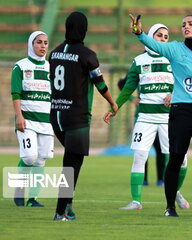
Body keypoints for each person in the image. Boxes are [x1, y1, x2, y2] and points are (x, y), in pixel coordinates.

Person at [129, 14, 192, 217]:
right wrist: (139, 33)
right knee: (175, 158)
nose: (186, 27)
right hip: (181, 111)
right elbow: (154, 44)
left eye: (190, 24)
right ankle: (170, 207)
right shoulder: (174, 48)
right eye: (183, 25)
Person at [104, 24, 190, 210]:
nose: (163, 39)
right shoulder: (139, 61)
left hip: (170, 119)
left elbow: (186, 83)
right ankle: (136, 201)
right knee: (140, 156)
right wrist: (115, 106)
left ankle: (175, 192)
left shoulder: (174, 59)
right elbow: (128, 87)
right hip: (145, 118)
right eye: (159, 35)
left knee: (181, 160)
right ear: (150, 37)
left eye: (166, 37)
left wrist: (175, 94)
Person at [50, 11, 118, 221]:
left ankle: (67, 205)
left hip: (56, 115)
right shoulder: (87, 55)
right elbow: (100, 83)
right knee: (72, 164)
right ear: (84, 29)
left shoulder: (54, 53)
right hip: (76, 116)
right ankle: (60, 211)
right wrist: (113, 103)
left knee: (72, 160)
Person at [11, 31, 53, 207]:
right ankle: (19, 188)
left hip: (46, 122)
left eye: (45, 43)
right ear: (31, 44)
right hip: (27, 120)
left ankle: (32, 199)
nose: (43, 46)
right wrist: (19, 117)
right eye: (39, 42)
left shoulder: (51, 67)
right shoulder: (20, 67)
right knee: (29, 157)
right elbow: (15, 93)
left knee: (41, 158)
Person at [118, 76, 165, 187]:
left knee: (160, 148)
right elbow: (121, 84)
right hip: (142, 116)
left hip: (160, 116)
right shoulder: (141, 68)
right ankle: (144, 179)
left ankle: (160, 179)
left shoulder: (164, 69)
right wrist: (132, 99)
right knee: (142, 150)